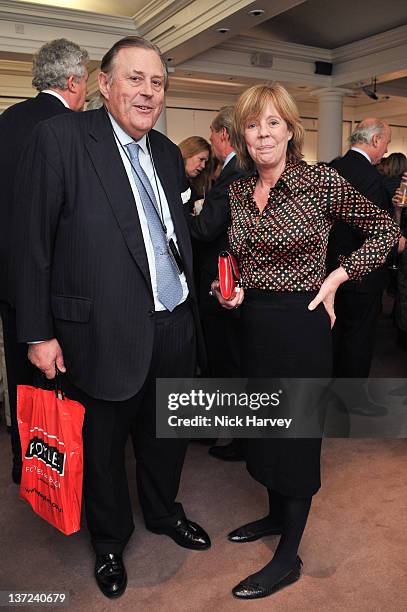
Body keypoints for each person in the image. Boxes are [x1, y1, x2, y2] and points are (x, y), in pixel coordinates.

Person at [15, 36, 210, 599]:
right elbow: (32, 246)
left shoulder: (170, 154)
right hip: (99, 329)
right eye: (135, 79)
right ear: (104, 84)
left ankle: (163, 512)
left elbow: (173, 237)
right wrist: (38, 333)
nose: (148, 92)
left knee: (166, 435)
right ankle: (109, 540)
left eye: (157, 82)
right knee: (101, 448)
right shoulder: (61, 138)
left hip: (173, 321)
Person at [211, 83, 400, 600]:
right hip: (254, 324)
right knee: (266, 430)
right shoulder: (236, 191)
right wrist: (229, 290)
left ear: (291, 129)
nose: (263, 133)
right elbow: (239, 256)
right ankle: (275, 516)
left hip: (302, 324)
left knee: (294, 439)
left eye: (273, 122)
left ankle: (289, 556)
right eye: (253, 124)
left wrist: (340, 275)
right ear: (243, 134)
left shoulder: (320, 183)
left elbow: (383, 230)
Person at [0, 38, 89, 484]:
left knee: (21, 377)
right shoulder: (74, 130)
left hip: (10, 283)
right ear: (73, 81)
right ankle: (63, 471)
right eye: (87, 80)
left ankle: (25, 461)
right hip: (58, 283)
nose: (88, 91)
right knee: (63, 384)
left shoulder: (7, 121)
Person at [187, 106, 247, 461]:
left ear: (224, 134)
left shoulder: (233, 171)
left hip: (221, 279)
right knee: (229, 358)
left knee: (227, 358)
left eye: (212, 136)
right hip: (229, 275)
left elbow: (207, 229)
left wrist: (176, 219)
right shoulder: (238, 169)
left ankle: (238, 438)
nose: (212, 144)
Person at [327, 119, 393, 384]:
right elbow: (377, 233)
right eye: (386, 143)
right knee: (358, 341)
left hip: (331, 270)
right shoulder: (371, 178)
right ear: (375, 140)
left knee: (334, 334)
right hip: (361, 276)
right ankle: (349, 402)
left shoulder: (332, 168)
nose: (386, 151)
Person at [179, 135, 212, 200]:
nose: (203, 166)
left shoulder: (193, 187)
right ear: (187, 153)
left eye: (205, 162)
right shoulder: (171, 180)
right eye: (201, 159)